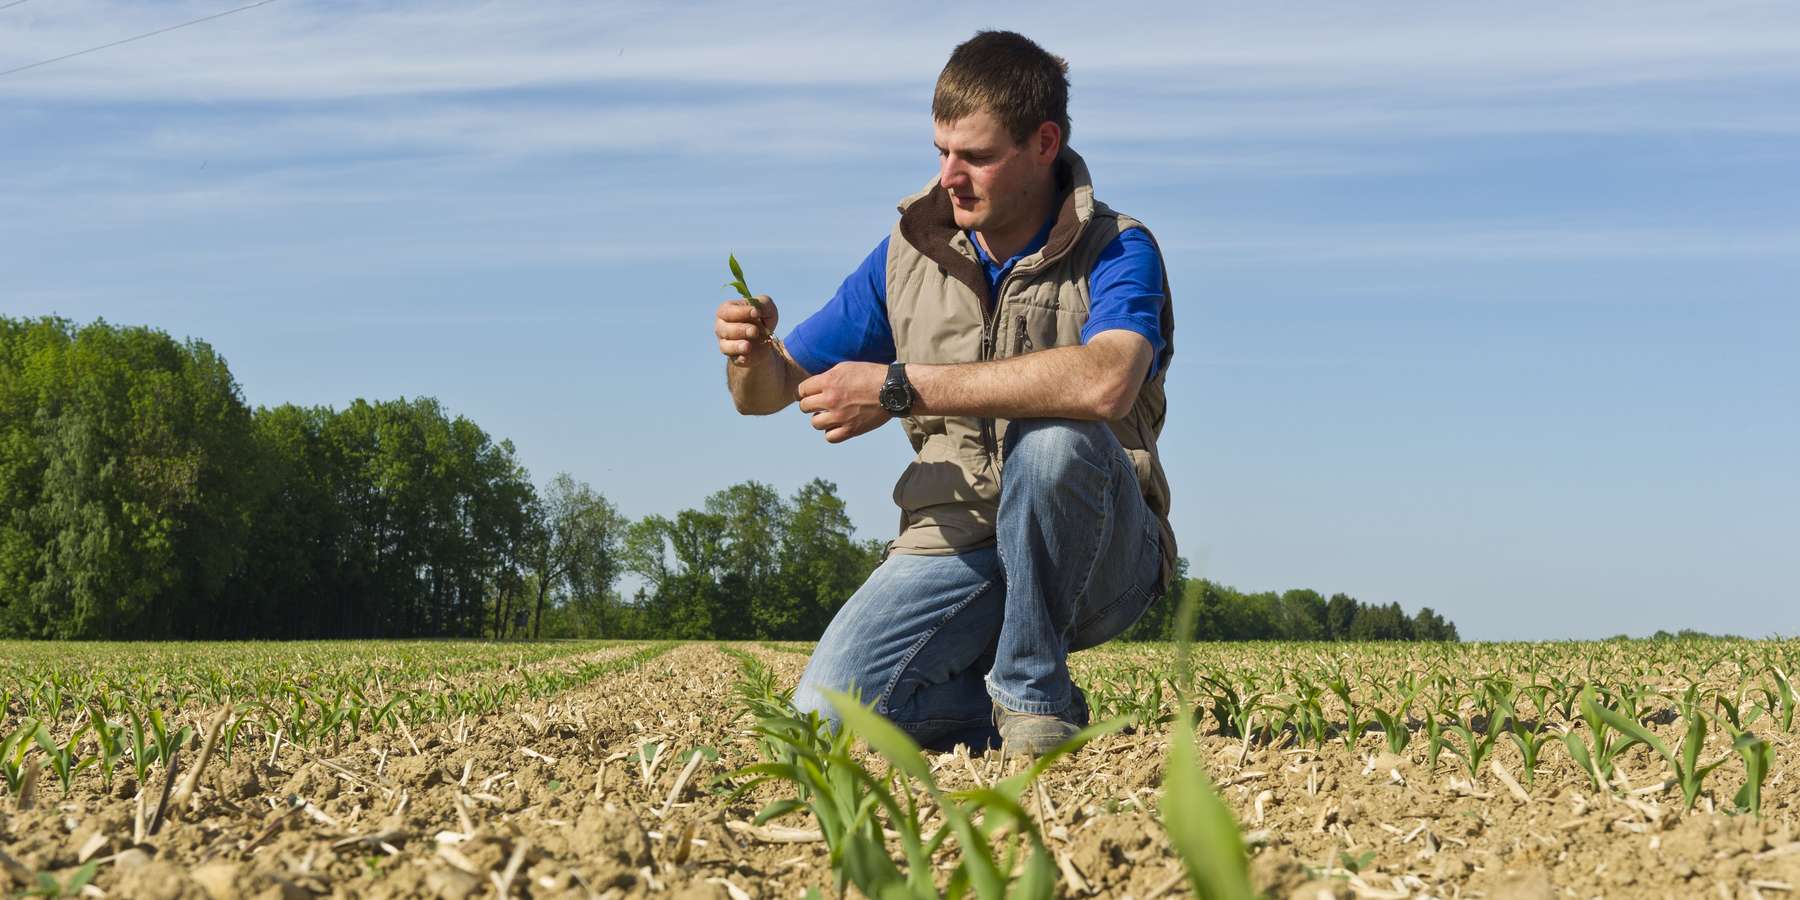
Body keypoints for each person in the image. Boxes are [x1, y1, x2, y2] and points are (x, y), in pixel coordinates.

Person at [711, 30, 1175, 755]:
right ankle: (1005, 707)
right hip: (952, 539)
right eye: (940, 151)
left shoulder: (1117, 247)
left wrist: (901, 388)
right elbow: (767, 392)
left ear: (1045, 143)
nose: (949, 176)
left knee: (1053, 439)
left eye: (976, 157)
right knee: (823, 726)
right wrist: (748, 353)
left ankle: (1033, 698)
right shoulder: (908, 252)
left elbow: (1108, 378)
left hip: (1094, 544)